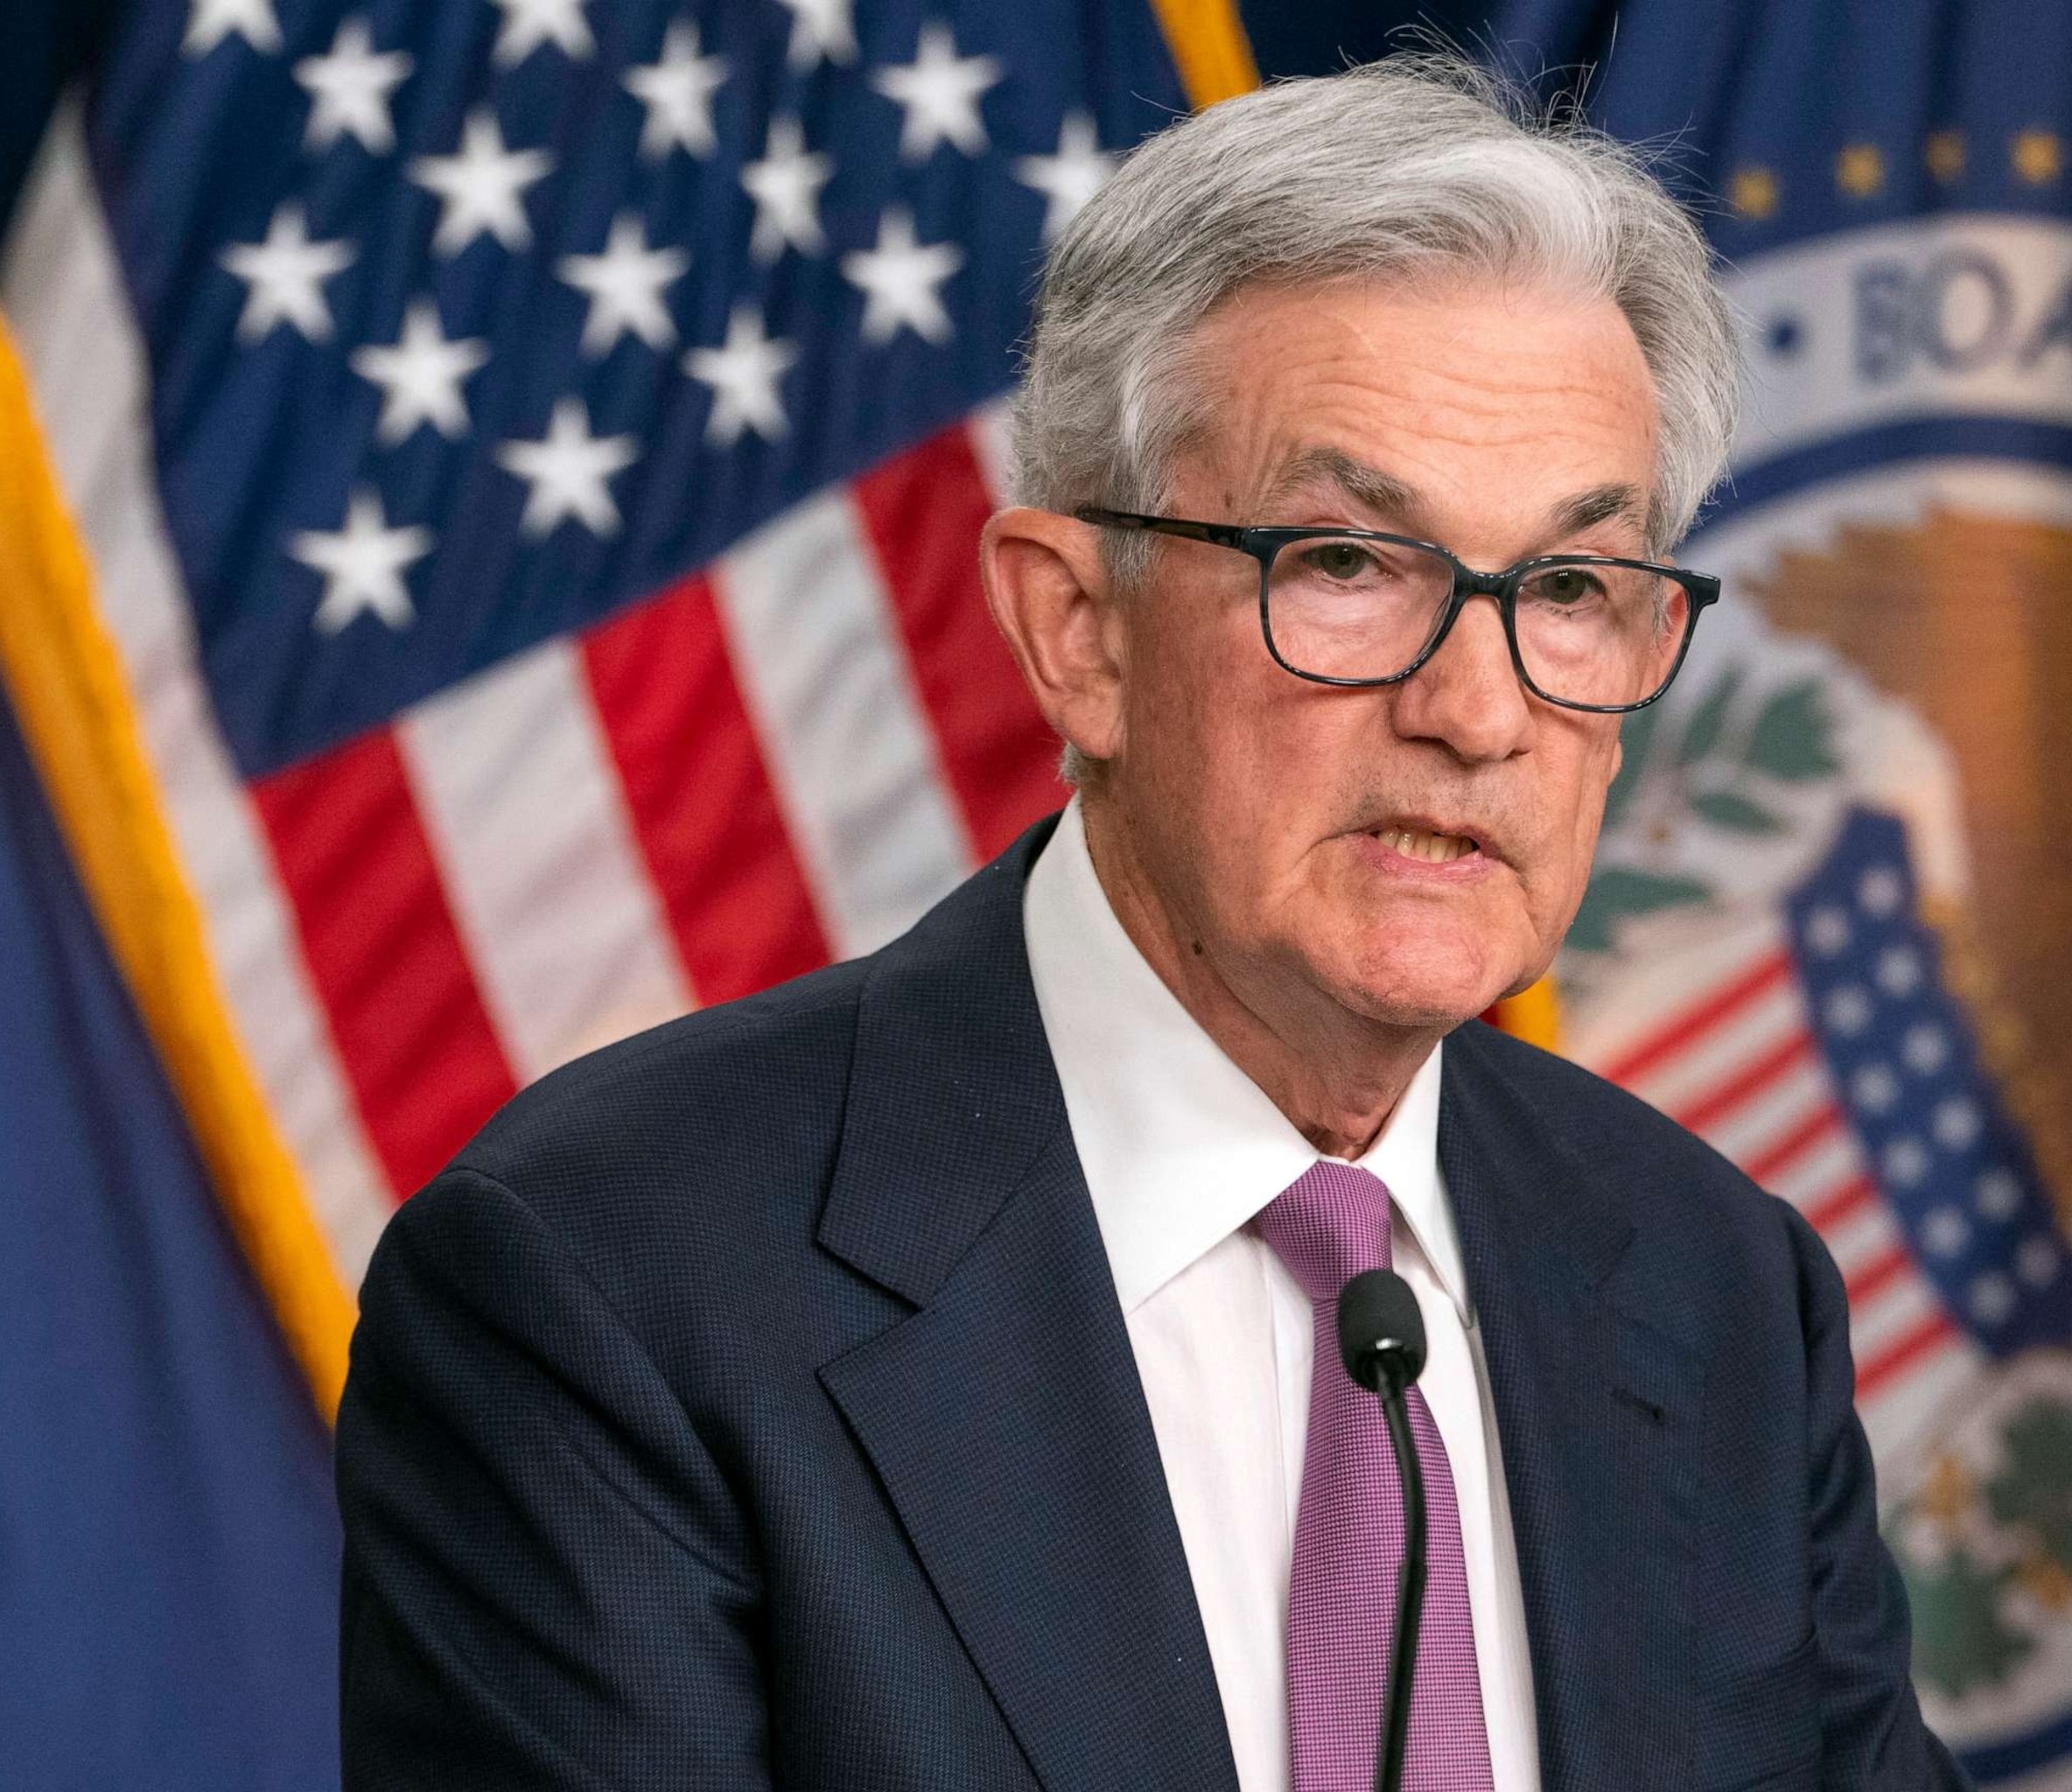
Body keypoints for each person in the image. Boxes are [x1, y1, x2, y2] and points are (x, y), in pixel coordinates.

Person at [337, 55, 1967, 1792]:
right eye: (1348, 563)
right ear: (1076, 634)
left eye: (1570, 589)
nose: (1481, 712)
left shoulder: (1712, 1280)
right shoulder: (611, 1289)